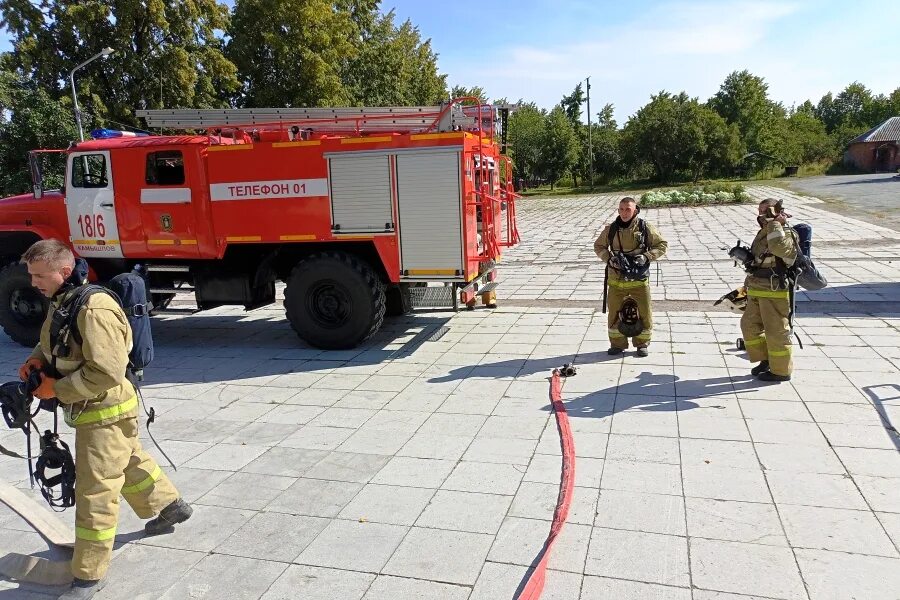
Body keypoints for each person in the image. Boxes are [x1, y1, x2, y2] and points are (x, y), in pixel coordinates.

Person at [18, 240, 192, 599]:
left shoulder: (94, 309)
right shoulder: (64, 300)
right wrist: (36, 361)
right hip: (97, 411)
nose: (33, 282)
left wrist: (57, 390)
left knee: (96, 491)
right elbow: (52, 342)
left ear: (63, 271)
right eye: (31, 275)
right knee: (126, 460)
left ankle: (88, 576)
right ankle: (171, 507)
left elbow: (108, 372)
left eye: (39, 275)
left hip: (104, 413)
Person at [594, 197, 668, 356]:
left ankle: (642, 344)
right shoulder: (611, 229)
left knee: (644, 312)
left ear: (635, 210)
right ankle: (617, 344)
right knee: (614, 313)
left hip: (639, 281)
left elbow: (662, 244)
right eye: (621, 209)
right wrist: (609, 259)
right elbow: (598, 246)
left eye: (628, 209)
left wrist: (647, 256)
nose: (624, 213)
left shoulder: (644, 227)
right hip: (616, 280)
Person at [739, 198, 799, 382]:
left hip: (775, 289)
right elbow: (758, 259)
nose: (761, 214)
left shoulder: (787, 232)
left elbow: (780, 249)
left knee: (776, 331)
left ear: (777, 210)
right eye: (760, 210)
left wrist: (776, 224)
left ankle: (781, 370)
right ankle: (766, 360)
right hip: (757, 286)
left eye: (766, 210)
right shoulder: (764, 231)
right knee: (748, 326)